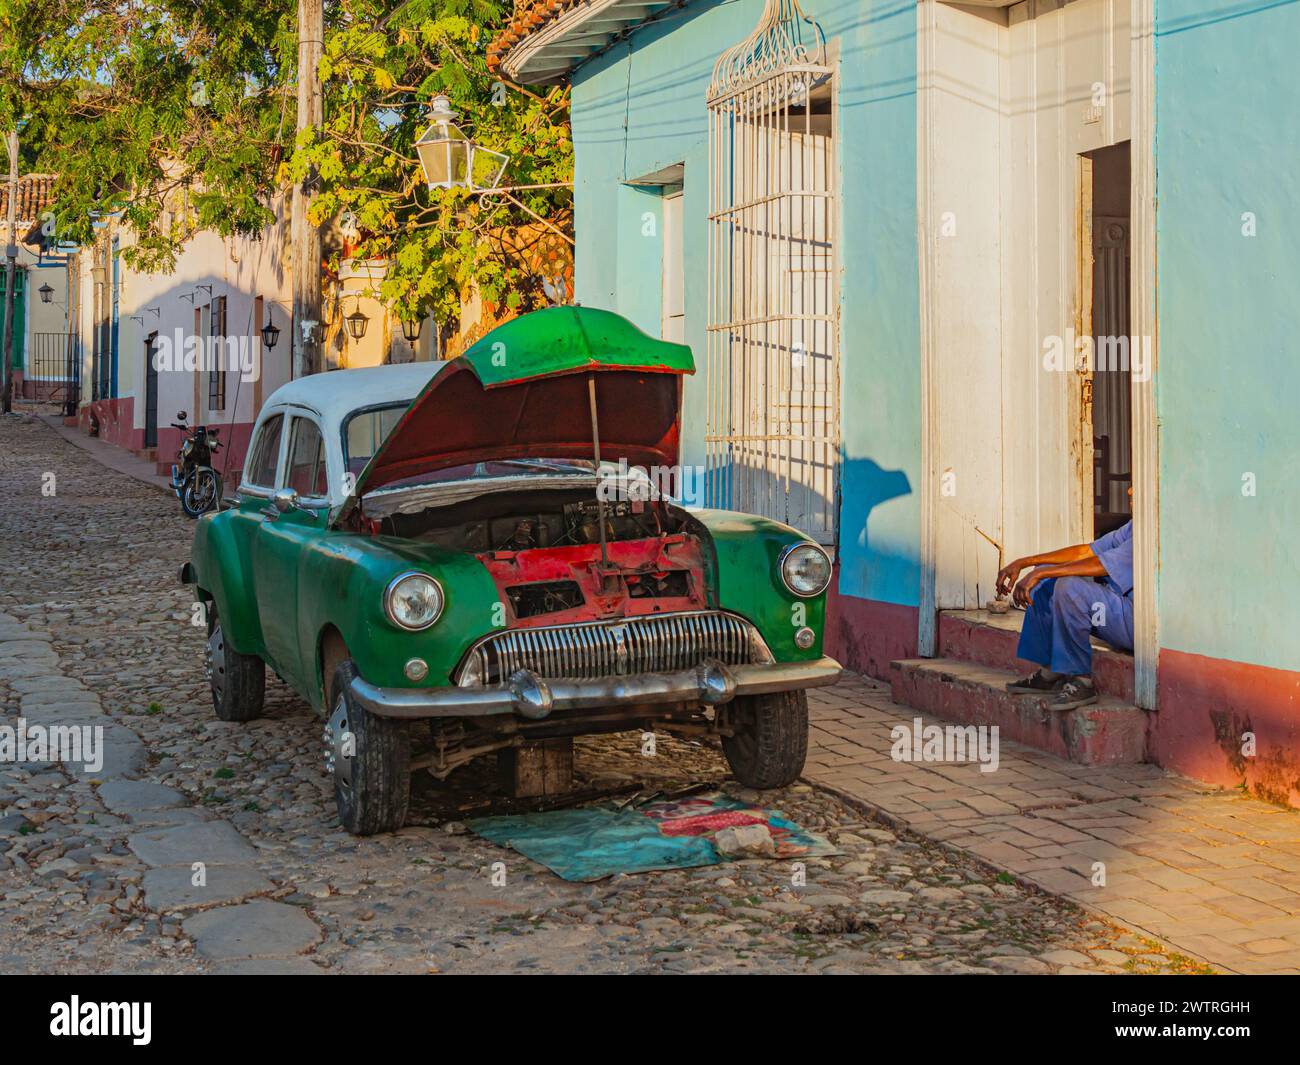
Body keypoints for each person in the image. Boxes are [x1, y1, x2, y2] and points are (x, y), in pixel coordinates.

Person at [995, 519, 1133, 709]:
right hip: (1118, 611)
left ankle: (1082, 681)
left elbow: (1100, 564)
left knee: (1068, 586)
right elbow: (1086, 552)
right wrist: (1025, 563)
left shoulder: (1152, 530)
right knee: (1044, 575)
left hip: (1138, 625)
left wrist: (1041, 574)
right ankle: (1050, 672)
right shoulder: (1133, 527)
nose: (1130, 492)